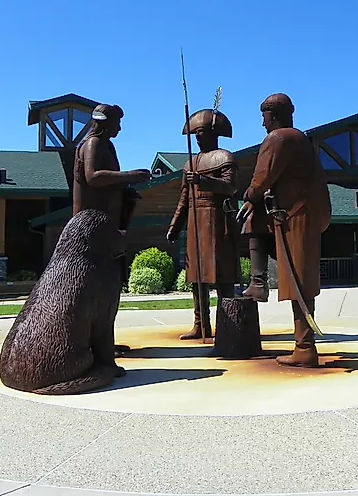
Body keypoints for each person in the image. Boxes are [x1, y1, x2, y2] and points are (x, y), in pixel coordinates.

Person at [236, 93, 331, 367]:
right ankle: (258, 283)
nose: (263, 124)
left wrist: (249, 197)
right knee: (256, 224)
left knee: (299, 281)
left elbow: (262, 177)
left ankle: (305, 348)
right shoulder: (302, 139)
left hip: (296, 217)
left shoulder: (278, 138)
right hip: (298, 215)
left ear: (274, 115)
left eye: (264, 117)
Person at [73, 103, 151, 356]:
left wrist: (125, 191)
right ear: (103, 122)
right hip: (91, 226)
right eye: (117, 122)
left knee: (106, 287)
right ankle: (91, 344)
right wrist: (129, 176)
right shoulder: (93, 144)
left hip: (106, 225)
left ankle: (103, 342)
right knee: (95, 287)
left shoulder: (107, 145)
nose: (119, 127)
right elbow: (93, 177)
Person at [167, 108, 239, 340]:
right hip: (195, 223)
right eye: (195, 133)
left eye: (202, 132)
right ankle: (201, 324)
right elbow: (184, 198)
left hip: (217, 221)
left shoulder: (225, 157)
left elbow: (231, 187)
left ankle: (227, 323)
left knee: (222, 275)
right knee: (196, 277)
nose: (198, 137)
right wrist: (175, 225)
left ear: (213, 133)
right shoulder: (191, 163)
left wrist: (203, 180)